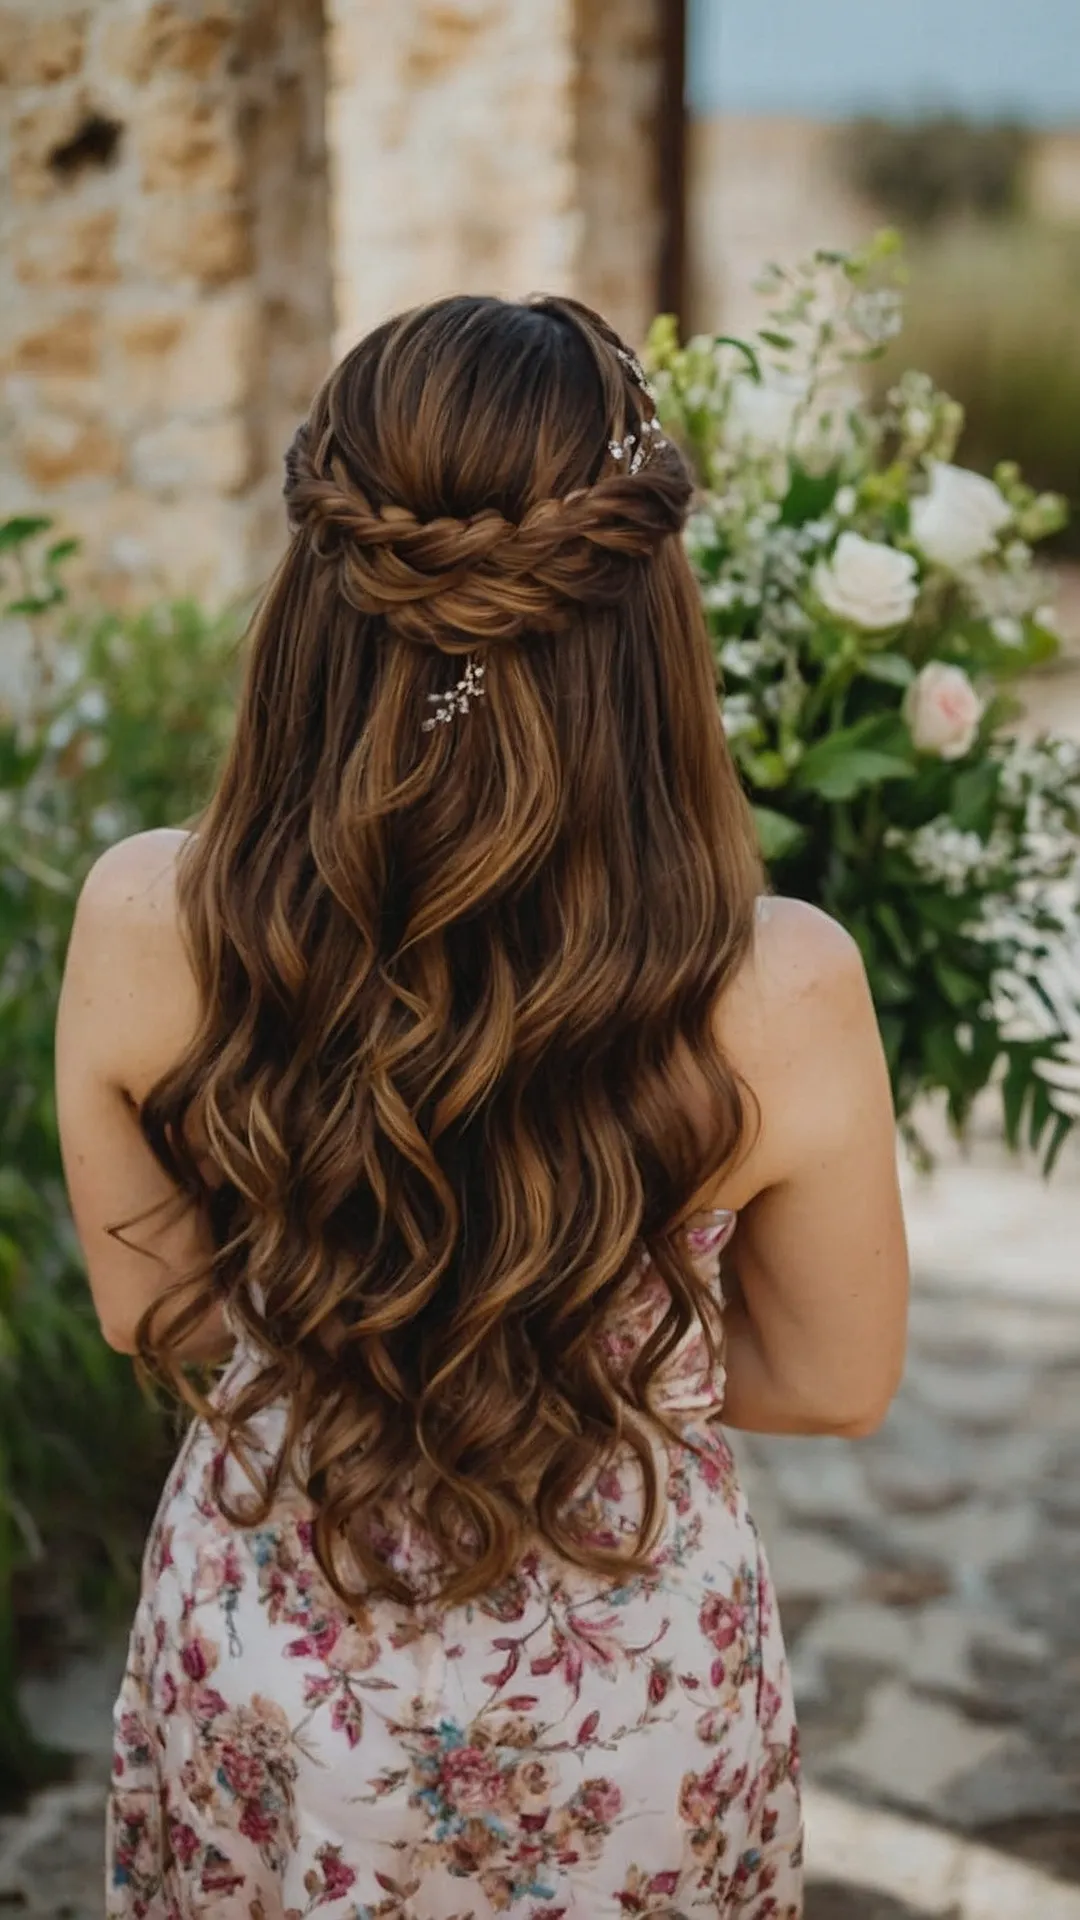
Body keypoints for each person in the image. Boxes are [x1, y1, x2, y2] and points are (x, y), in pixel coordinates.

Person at [56, 294, 908, 1920]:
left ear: (319, 588)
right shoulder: (780, 988)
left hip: (270, 1687)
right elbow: (831, 1377)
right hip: (631, 1721)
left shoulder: (145, 921)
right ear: (647, 611)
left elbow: (149, 1304)